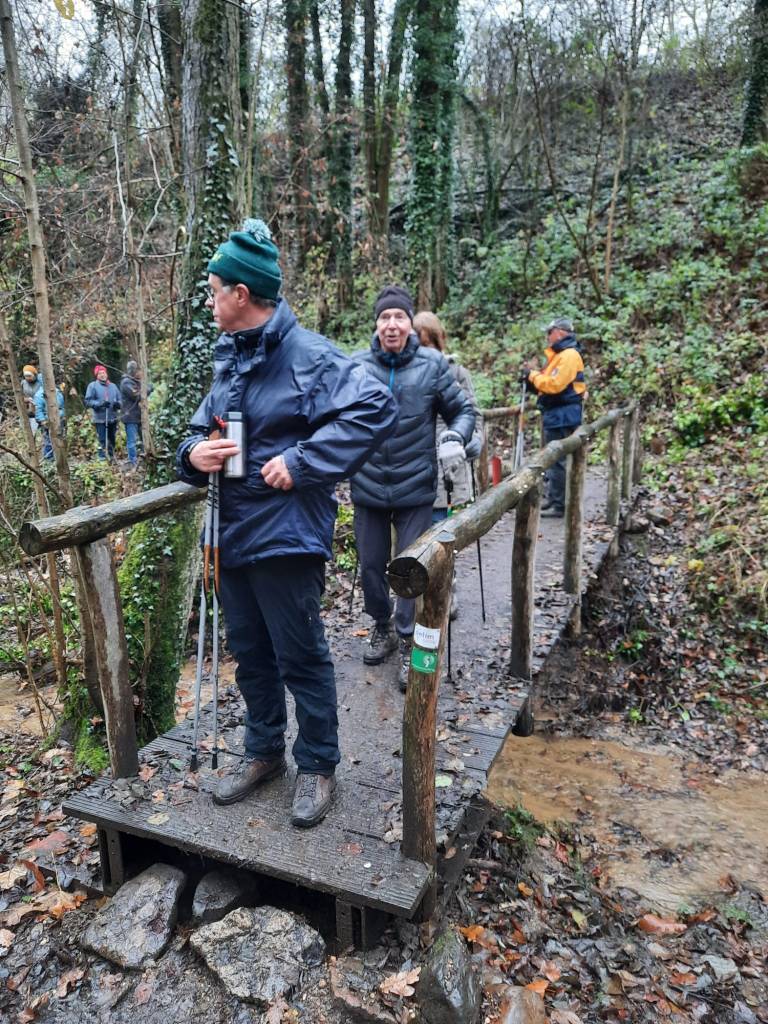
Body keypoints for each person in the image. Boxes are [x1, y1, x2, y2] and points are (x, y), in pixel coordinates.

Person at [176, 219, 397, 829]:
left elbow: (375, 406)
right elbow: (195, 434)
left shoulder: (309, 355)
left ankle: (318, 765)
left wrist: (301, 461)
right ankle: (263, 753)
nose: (209, 301)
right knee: (250, 654)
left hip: (286, 534)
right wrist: (194, 454)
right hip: (230, 534)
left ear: (241, 294)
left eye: (214, 290)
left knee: (300, 655)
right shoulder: (229, 359)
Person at [351, 286, 475, 691]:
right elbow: (332, 414)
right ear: (376, 324)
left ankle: (407, 640)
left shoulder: (432, 365)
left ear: (410, 323)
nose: (391, 324)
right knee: (372, 565)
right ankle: (381, 625)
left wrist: (456, 436)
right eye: (384, 317)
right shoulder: (357, 367)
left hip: (416, 485)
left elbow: (462, 410)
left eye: (399, 317)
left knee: (410, 568)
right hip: (367, 484)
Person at [414, 311, 484, 620]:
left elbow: (473, 414)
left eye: (428, 343)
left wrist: (471, 440)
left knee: (441, 530)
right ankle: (411, 599)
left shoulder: (455, 372)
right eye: (419, 344)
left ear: (439, 341)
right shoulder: (405, 372)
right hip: (411, 467)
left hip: (446, 467)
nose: (424, 350)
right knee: (411, 535)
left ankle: (445, 594)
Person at [522, 317, 586, 519]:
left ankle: (559, 504)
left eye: (549, 332)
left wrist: (532, 376)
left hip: (563, 415)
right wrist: (531, 381)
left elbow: (555, 385)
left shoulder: (569, 355)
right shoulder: (559, 356)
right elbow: (547, 385)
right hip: (556, 413)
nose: (547, 336)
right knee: (553, 459)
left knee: (557, 459)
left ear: (559, 332)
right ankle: (554, 498)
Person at [84, 364, 121, 460]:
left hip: (112, 418)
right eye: (100, 373)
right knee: (102, 440)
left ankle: (111, 457)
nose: (102, 375)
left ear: (106, 374)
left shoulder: (113, 386)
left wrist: (118, 404)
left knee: (112, 439)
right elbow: (88, 401)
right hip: (100, 418)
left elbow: (120, 399)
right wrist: (100, 404)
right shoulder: (92, 386)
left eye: (103, 373)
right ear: (97, 375)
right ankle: (102, 459)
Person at [120, 360, 150, 466]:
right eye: (138, 371)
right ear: (133, 371)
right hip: (130, 416)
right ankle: (133, 461)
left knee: (144, 438)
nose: (141, 373)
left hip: (139, 415)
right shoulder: (126, 382)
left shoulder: (138, 382)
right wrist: (147, 389)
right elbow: (136, 395)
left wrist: (146, 388)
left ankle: (145, 458)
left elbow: (146, 389)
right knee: (132, 441)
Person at [34, 382, 66, 461]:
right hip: (47, 420)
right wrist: (42, 421)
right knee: (48, 441)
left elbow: (62, 406)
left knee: (60, 438)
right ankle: (49, 459)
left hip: (59, 419)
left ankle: (60, 457)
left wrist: (63, 416)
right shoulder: (39, 395)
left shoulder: (57, 392)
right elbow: (38, 410)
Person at [20, 365, 42, 436]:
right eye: (26, 376)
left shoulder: (41, 381)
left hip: (41, 408)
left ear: (35, 375)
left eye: (29, 376)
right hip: (29, 408)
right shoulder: (23, 383)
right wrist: (26, 399)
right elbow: (20, 397)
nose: (28, 378)